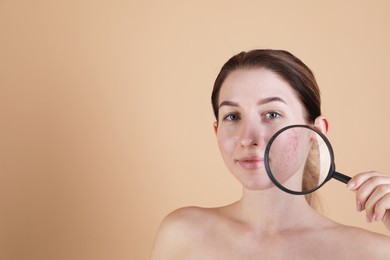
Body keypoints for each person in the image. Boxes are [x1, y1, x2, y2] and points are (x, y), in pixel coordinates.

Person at [150, 49, 390, 259]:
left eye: (272, 114)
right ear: (217, 131)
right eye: (232, 117)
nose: (248, 138)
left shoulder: (375, 252)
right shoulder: (181, 234)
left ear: (315, 132)